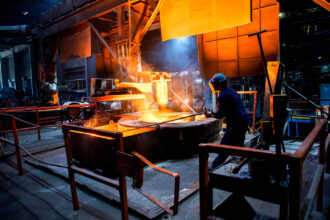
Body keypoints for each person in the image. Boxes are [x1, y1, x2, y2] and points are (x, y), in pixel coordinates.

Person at [208, 73, 249, 170]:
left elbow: (221, 114)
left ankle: (213, 168)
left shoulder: (222, 95)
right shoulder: (231, 91)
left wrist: (211, 114)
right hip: (243, 121)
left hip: (235, 124)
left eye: (214, 83)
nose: (213, 85)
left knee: (224, 146)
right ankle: (244, 166)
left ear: (218, 84)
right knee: (239, 146)